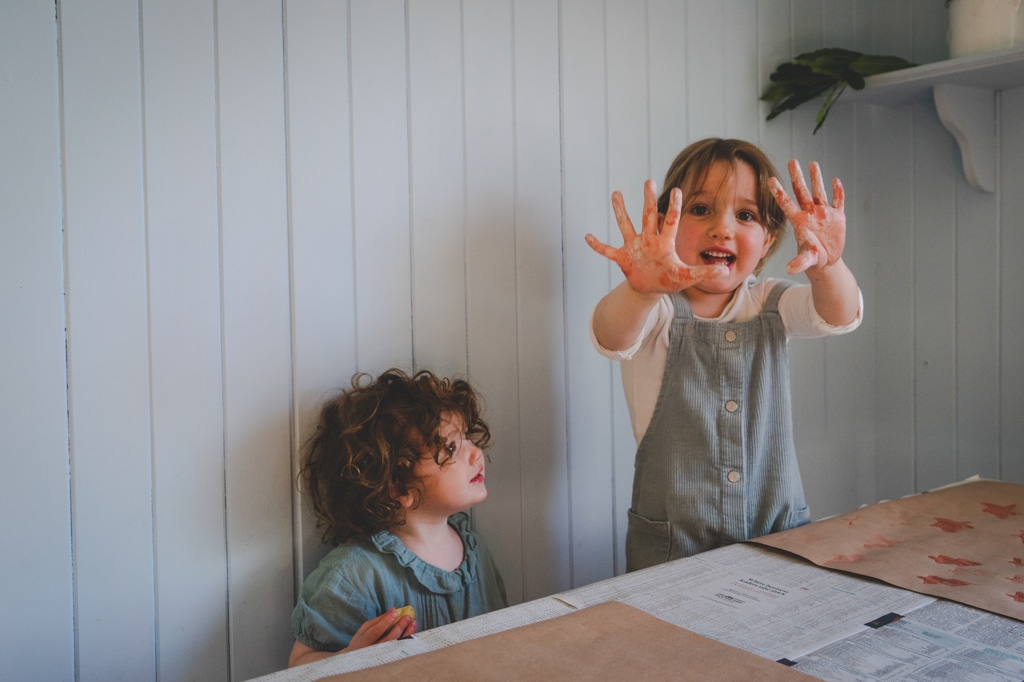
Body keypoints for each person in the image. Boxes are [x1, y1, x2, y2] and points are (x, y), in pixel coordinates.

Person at [584, 138, 862, 572]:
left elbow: (839, 315)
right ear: (665, 226)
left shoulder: (772, 303)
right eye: (700, 209)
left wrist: (828, 267)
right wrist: (639, 289)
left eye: (745, 215)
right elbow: (610, 335)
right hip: (675, 548)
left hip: (778, 539)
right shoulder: (654, 309)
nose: (723, 228)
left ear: (768, 240)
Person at [288, 368, 507, 667]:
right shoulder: (353, 576)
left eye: (467, 437)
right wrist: (350, 658)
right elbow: (299, 664)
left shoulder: (472, 547)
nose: (475, 453)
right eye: (452, 448)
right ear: (399, 488)